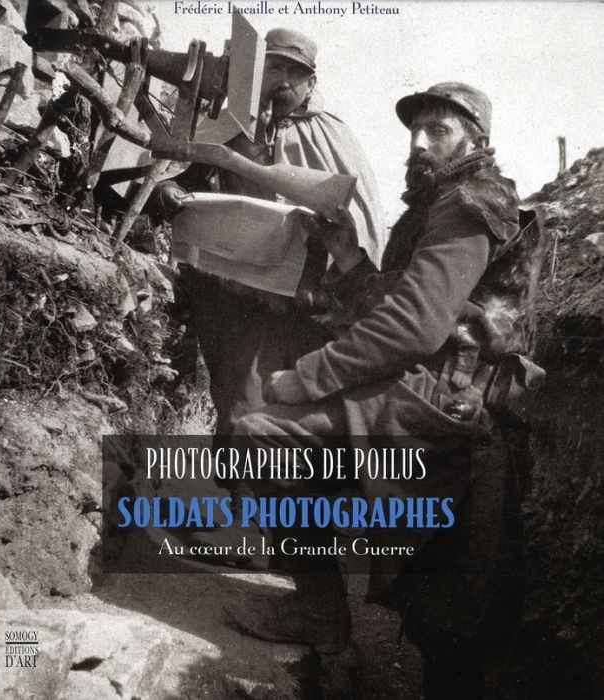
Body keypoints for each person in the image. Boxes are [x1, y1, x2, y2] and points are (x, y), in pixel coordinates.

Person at [230, 83, 541, 697]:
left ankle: (322, 612)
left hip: (449, 417)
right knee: (445, 623)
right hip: (431, 402)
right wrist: (349, 259)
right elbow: (403, 308)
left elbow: (412, 327)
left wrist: (306, 376)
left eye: (439, 130)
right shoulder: (440, 204)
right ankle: (323, 615)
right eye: (415, 130)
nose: (420, 142)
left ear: (477, 139)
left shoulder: (469, 204)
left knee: (450, 632)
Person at [153, 28, 385, 569]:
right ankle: (241, 524)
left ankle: (273, 539)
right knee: (236, 398)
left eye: (292, 73)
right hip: (228, 291)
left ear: (311, 82)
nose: (279, 83)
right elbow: (174, 173)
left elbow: (359, 215)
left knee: (278, 414)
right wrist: (172, 190)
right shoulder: (223, 122)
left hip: (302, 297)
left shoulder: (331, 134)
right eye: (270, 70)